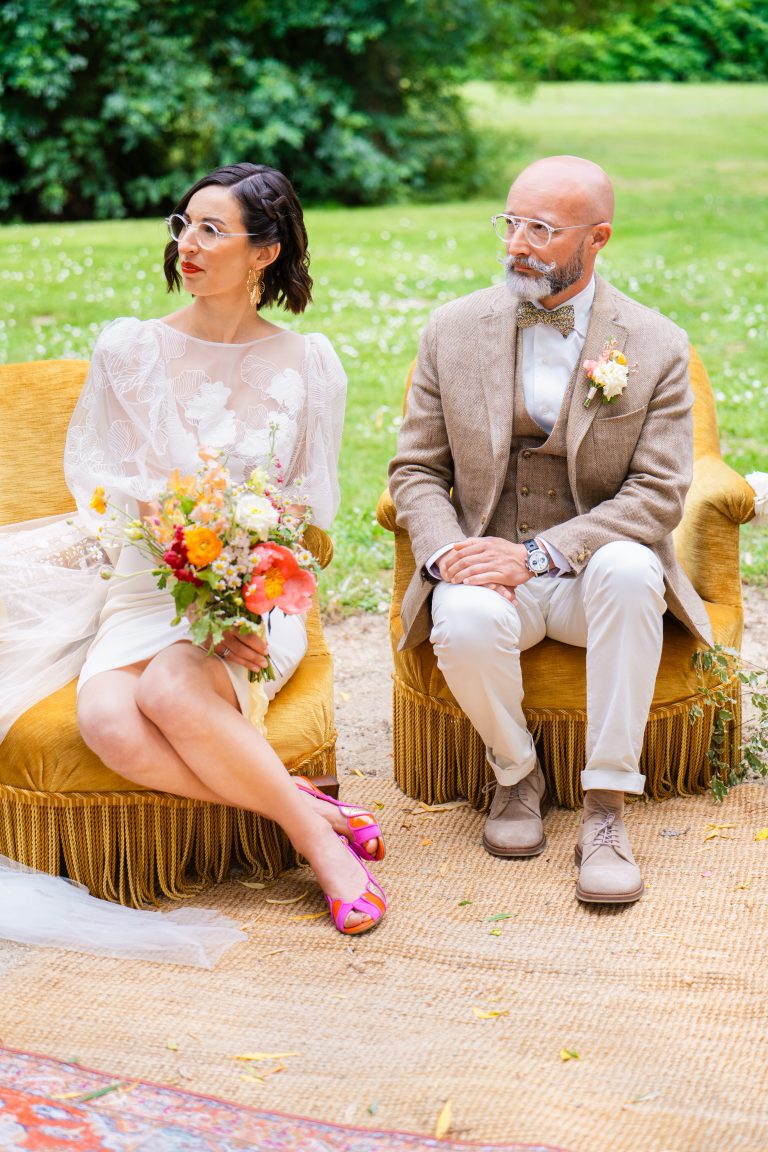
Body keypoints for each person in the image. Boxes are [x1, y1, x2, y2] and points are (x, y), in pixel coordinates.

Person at [54, 162, 385, 936]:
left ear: (264, 252)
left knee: (171, 691)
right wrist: (200, 590)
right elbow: (131, 499)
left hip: (258, 595)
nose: (188, 245)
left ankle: (322, 853)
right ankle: (312, 811)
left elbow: (305, 514)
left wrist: (242, 605)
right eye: (184, 226)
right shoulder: (132, 351)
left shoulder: (310, 364)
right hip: (150, 586)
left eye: (212, 230)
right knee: (107, 718)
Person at [388, 155, 712, 905]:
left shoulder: (656, 344)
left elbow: (659, 492)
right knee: (463, 617)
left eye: (542, 229)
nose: (517, 244)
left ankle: (606, 807)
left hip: (589, 577)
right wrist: (452, 555)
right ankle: (516, 775)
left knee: (632, 569)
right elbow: (415, 470)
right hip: (488, 564)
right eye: (511, 223)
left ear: (597, 238)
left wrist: (538, 554)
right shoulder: (451, 329)